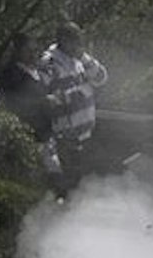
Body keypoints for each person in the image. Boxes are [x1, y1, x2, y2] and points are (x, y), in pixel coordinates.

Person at [29, 21, 110, 186]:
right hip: (65, 137)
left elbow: (101, 78)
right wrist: (76, 94)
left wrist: (84, 58)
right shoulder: (49, 63)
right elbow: (42, 99)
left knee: (88, 183)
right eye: (75, 40)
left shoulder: (79, 59)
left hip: (86, 134)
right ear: (63, 40)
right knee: (71, 184)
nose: (79, 44)